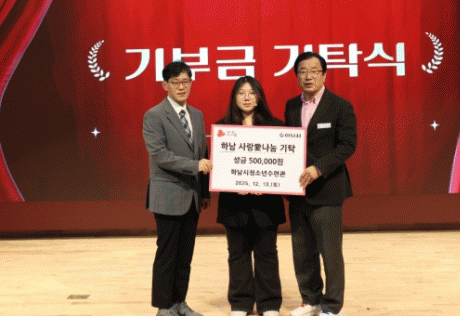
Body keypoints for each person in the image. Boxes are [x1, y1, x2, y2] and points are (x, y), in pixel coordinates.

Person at [284, 52, 357, 316]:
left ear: (324, 75)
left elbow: (347, 145)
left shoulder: (340, 106)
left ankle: (332, 306)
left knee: (330, 252)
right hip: (298, 191)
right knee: (302, 251)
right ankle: (311, 299)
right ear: (296, 76)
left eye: (315, 71)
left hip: (327, 190)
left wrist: (318, 168)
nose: (309, 76)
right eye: (303, 71)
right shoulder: (292, 106)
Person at [143, 61, 213, 316]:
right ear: (165, 85)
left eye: (185, 82)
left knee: (185, 256)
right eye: (175, 83)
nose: (181, 87)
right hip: (168, 196)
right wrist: (195, 166)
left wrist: (204, 192)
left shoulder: (197, 115)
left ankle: (180, 303)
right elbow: (161, 155)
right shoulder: (154, 115)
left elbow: (203, 152)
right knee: (167, 255)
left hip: (192, 197)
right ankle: (164, 307)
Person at [216, 76, 286, 316]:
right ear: (234, 98)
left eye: (251, 92)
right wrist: (231, 183)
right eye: (241, 93)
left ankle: (269, 304)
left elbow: (283, 166)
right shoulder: (223, 128)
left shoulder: (276, 127)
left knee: (267, 253)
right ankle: (240, 303)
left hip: (266, 203)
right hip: (234, 202)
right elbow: (218, 167)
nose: (246, 97)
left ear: (259, 97)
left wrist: (267, 184)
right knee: (238, 254)